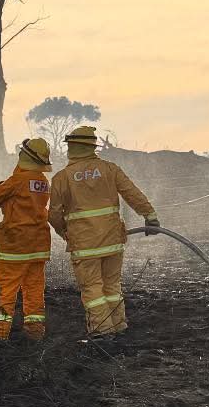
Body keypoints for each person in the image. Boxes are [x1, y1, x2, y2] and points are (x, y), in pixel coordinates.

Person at [48, 126, 160, 339]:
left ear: (72, 147)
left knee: (92, 289)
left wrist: (65, 233)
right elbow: (132, 193)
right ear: (91, 147)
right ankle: (118, 326)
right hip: (113, 241)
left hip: (84, 245)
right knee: (111, 285)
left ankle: (102, 332)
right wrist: (150, 216)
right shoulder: (110, 169)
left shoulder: (62, 178)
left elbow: (53, 215)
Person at [0, 136, 52, 341]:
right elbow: (19, 200)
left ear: (25, 156)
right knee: (34, 291)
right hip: (38, 246)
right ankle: (35, 334)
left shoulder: (19, 179)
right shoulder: (42, 182)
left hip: (16, 247)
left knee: (5, 291)